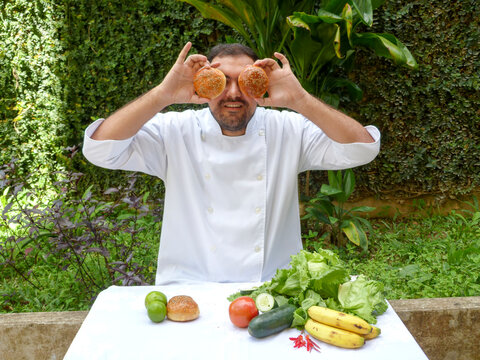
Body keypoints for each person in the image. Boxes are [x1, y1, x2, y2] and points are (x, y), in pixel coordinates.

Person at [82, 42, 380, 285]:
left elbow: (361, 149)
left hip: (272, 289)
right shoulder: (175, 131)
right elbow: (99, 150)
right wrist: (163, 95)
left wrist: (300, 99)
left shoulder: (288, 129)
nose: (234, 93)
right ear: (203, 86)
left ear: (260, 85)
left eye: (245, 82)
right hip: (190, 287)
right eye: (223, 82)